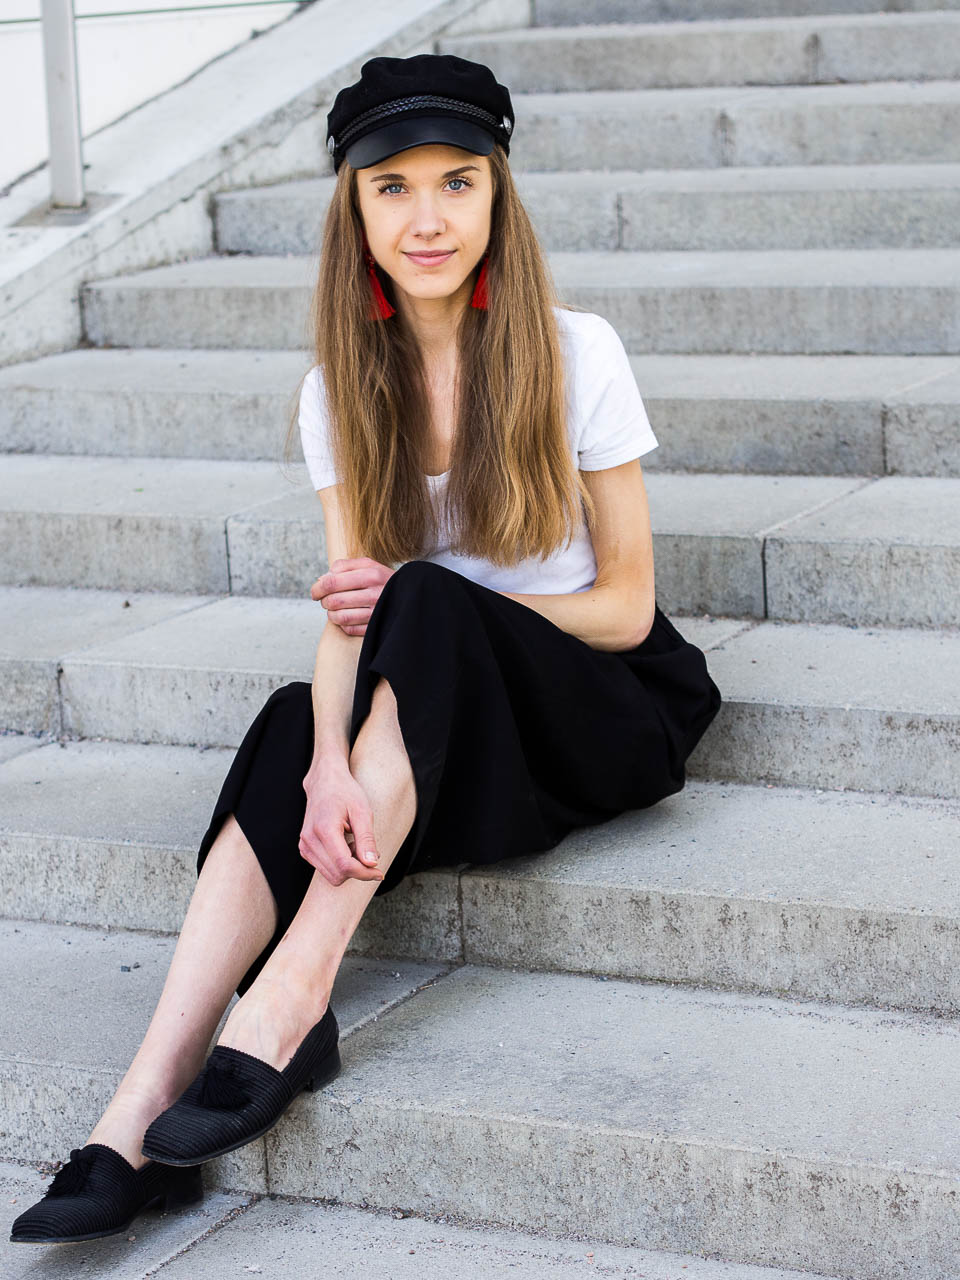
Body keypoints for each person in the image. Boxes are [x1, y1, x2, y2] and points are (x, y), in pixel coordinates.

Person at [10, 52, 722, 1245]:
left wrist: (437, 608)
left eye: (457, 182)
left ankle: (291, 1000)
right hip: (441, 728)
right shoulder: (337, 388)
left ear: (499, 195)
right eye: (392, 187)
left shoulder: (576, 349)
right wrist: (331, 760)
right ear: (352, 205)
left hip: (597, 709)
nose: (428, 217)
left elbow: (629, 608)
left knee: (429, 597)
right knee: (300, 711)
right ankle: (135, 1111)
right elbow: (354, 611)